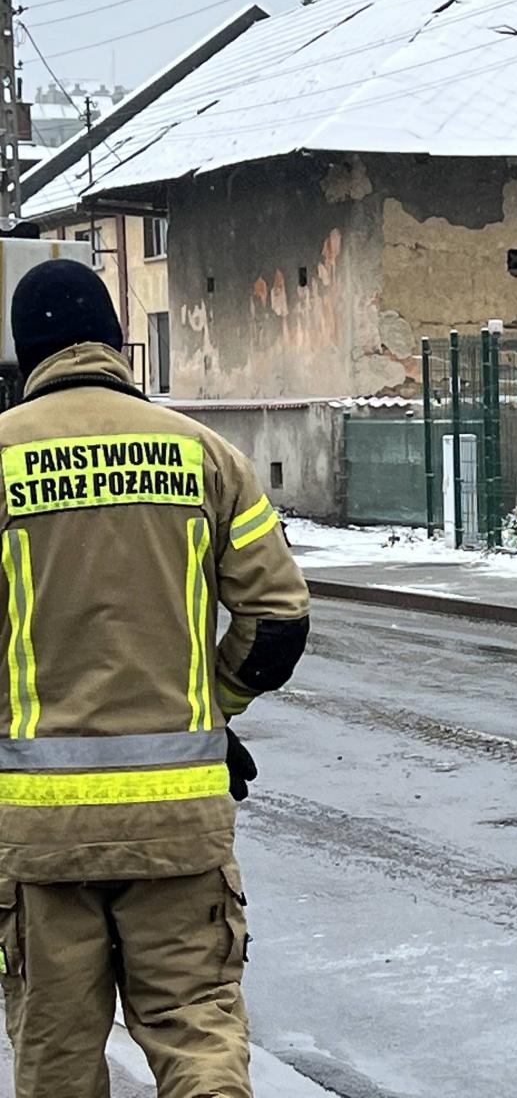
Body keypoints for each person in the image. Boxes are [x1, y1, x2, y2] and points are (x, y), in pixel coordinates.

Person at [0, 260, 310, 1097]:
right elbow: (279, 622)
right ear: (115, 343)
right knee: (199, 1040)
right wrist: (212, 710)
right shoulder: (206, 455)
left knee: (56, 1057)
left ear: (24, 354)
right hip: (179, 819)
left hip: (38, 838)